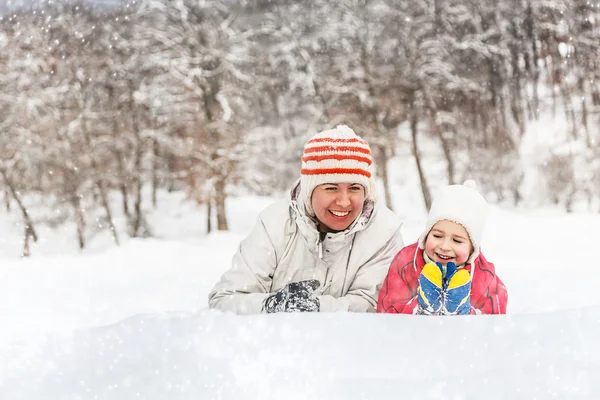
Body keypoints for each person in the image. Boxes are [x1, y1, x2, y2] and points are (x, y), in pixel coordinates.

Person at [209, 125, 403, 314]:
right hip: (277, 343)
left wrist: (316, 307)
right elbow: (225, 299)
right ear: (310, 190)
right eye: (331, 188)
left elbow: (376, 307)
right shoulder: (275, 224)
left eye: (354, 188)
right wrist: (273, 305)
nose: (344, 202)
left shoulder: (383, 232)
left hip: (350, 344)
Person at [377, 180, 507, 315]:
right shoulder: (406, 263)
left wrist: (467, 314)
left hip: (461, 336)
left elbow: (494, 321)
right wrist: (419, 307)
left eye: (457, 240)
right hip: (413, 336)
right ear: (427, 234)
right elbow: (386, 314)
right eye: (437, 236)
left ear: (472, 247)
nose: (445, 246)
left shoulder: (484, 276)